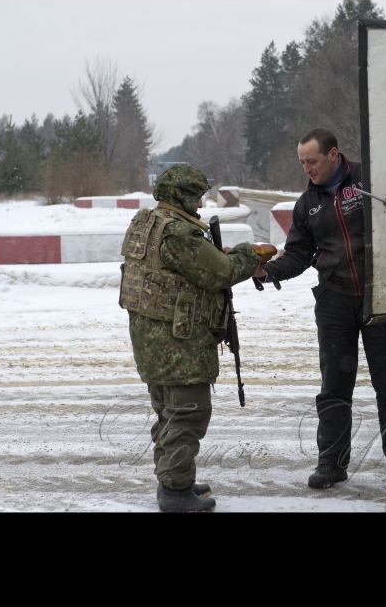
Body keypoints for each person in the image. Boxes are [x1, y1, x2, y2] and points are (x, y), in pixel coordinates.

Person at [255, 128, 386, 490]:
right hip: (334, 301)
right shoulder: (307, 204)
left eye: (312, 161)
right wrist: (267, 271)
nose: (308, 169)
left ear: (334, 155)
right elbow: (300, 254)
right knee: (334, 386)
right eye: (303, 163)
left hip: (380, 298)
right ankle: (331, 462)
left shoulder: (369, 178)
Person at [119, 165, 263, 512]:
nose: (200, 203)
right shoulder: (179, 234)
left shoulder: (147, 222)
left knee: (169, 413)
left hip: (151, 341)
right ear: (182, 196)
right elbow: (222, 273)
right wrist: (249, 253)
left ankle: (173, 478)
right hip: (179, 343)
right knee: (188, 415)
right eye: (196, 196)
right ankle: (175, 491)